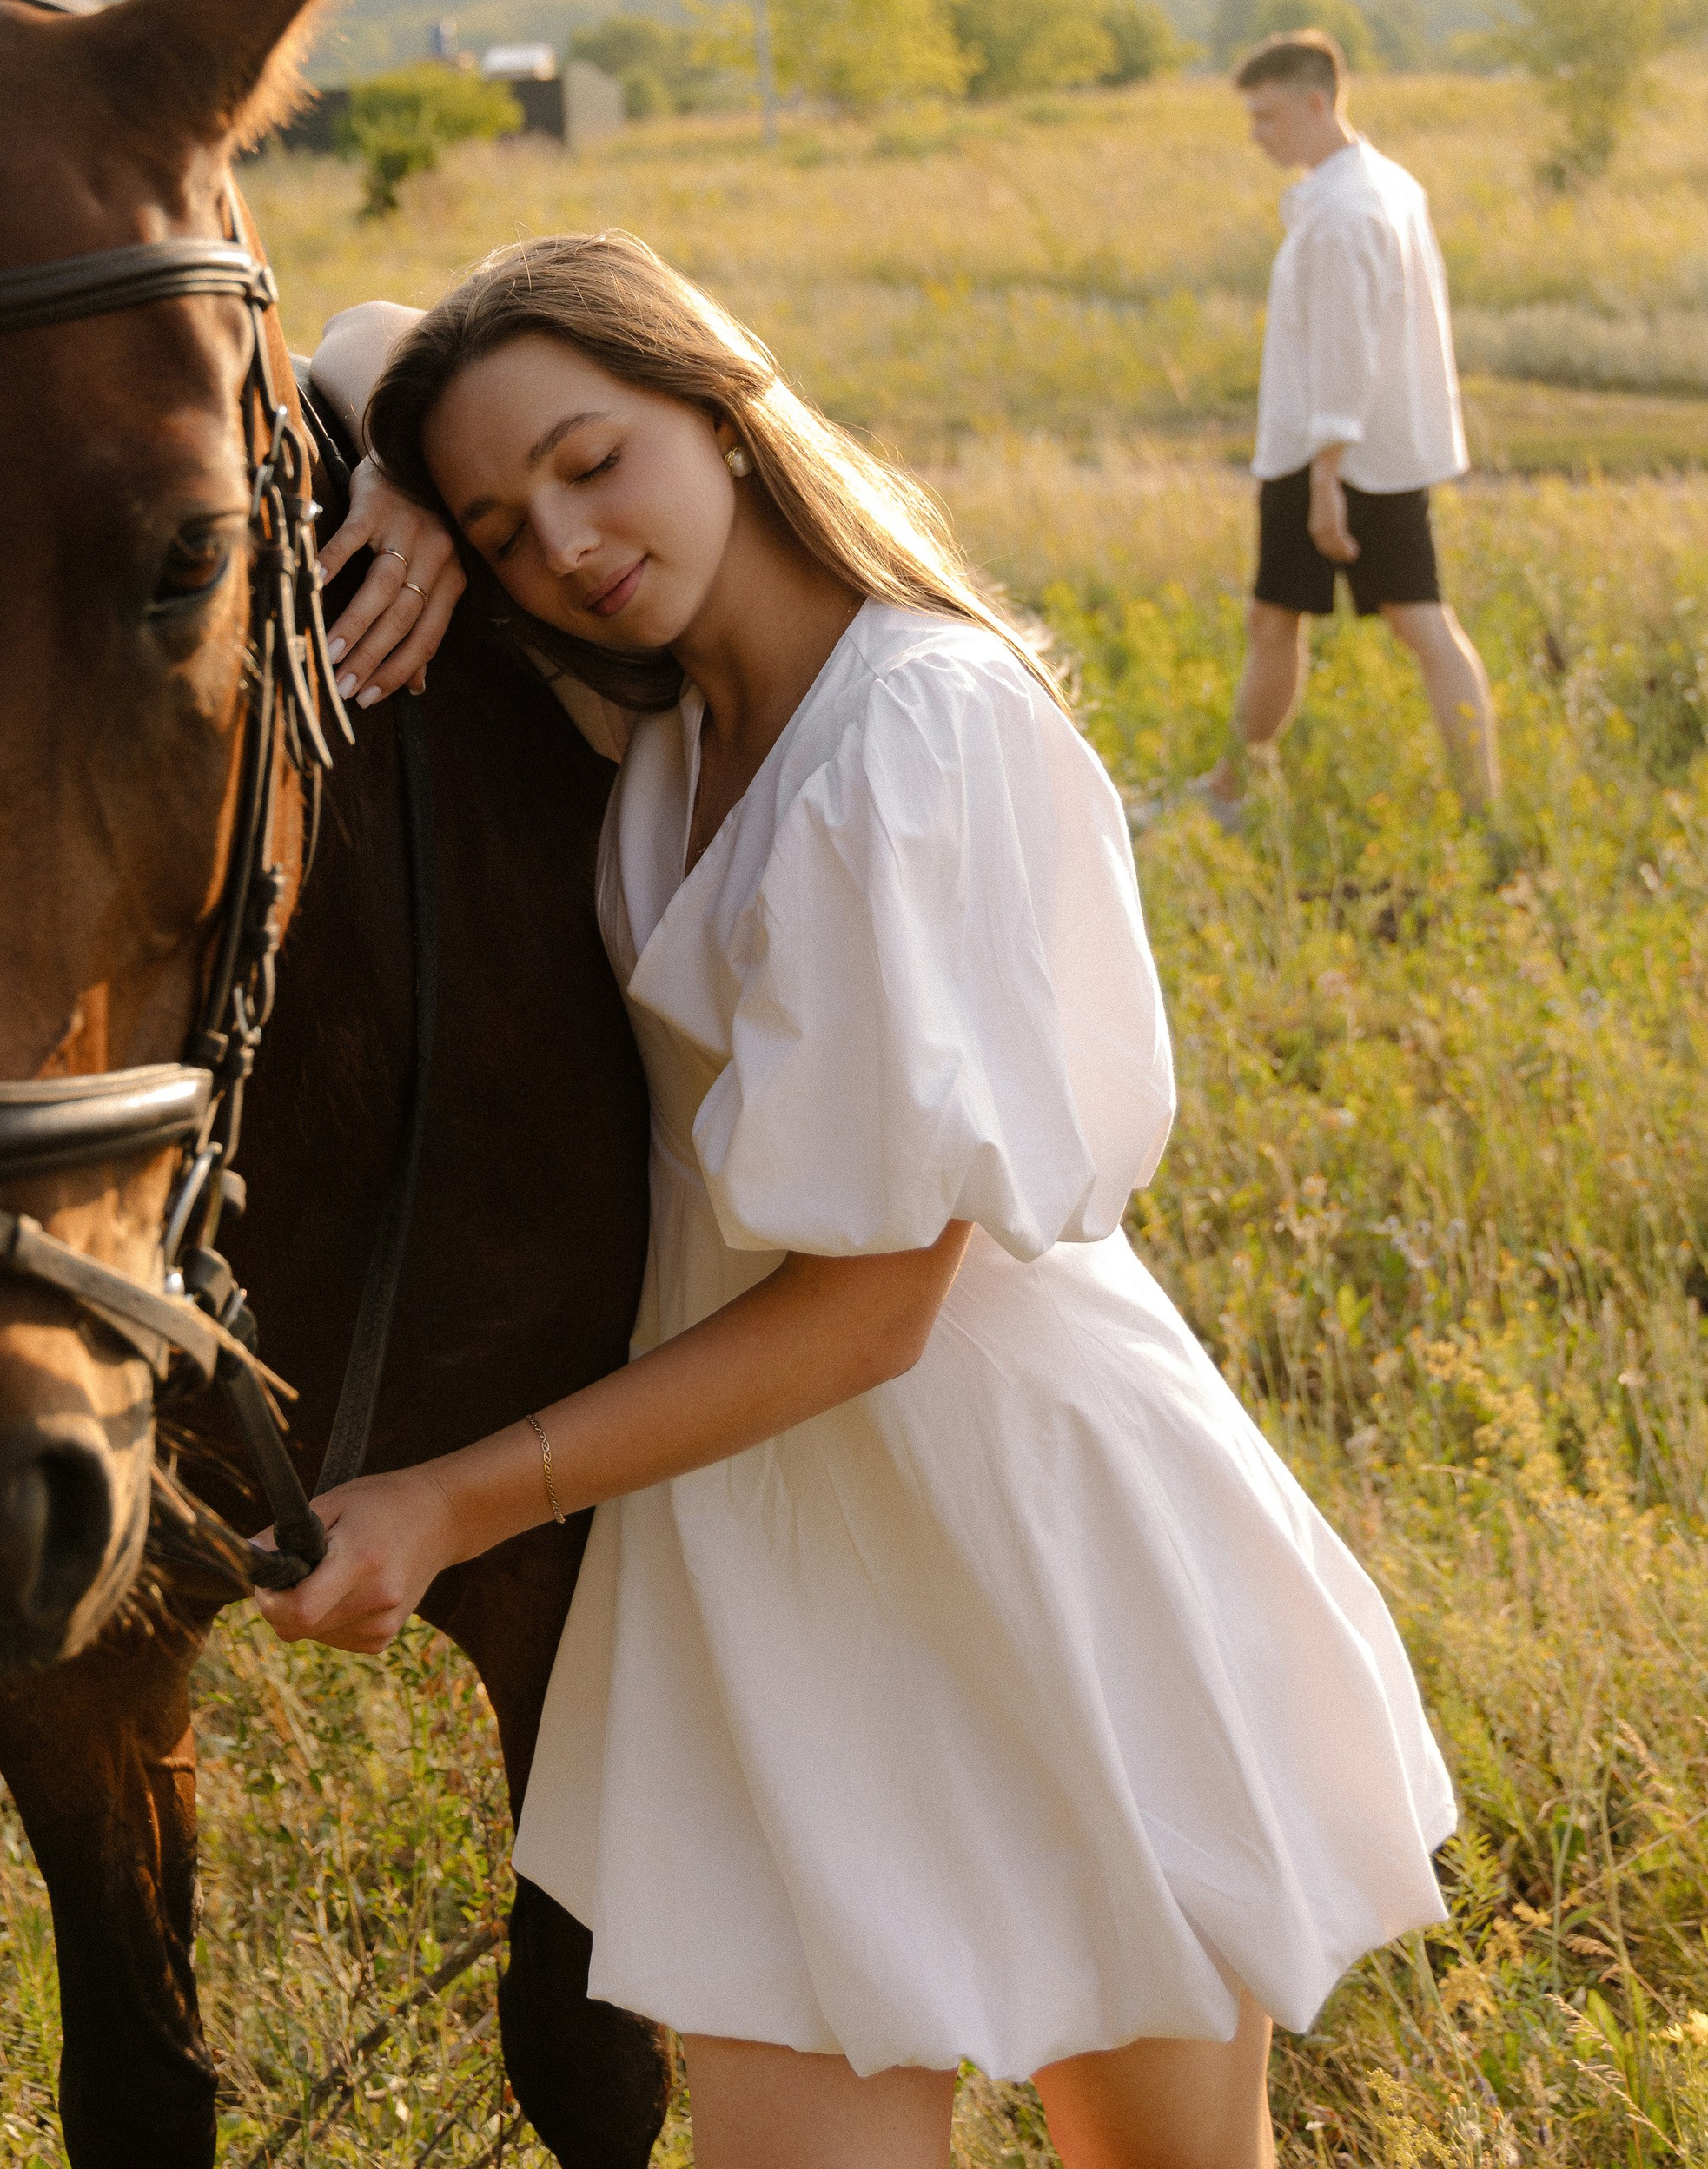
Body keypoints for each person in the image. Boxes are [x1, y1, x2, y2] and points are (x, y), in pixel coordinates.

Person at [282, 235, 1454, 2169]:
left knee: (1157, 2160)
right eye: (503, 528)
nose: (562, 546)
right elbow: (357, 332)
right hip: (763, 1568)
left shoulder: (910, 724)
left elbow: (869, 1307)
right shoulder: (660, 721)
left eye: (595, 463)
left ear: (724, 413)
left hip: (1020, 1525)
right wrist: (407, 467)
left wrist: (447, 1498)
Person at [1200, 29, 1496, 823]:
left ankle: (1228, 797)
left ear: (1315, 103)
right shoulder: (1384, 183)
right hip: (1374, 448)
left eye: (1266, 117)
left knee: (1390, 624)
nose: (1256, 134)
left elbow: (1346, 351)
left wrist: (1325, 478)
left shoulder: (1342, 214)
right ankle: (1480, 809)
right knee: (1305, 620)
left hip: (1330, 455)